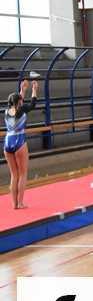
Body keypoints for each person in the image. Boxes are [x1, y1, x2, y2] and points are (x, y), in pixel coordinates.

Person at [3, 79, 38, 209]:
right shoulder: (22, 109)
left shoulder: (7, 111)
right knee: (22, 173)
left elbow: (17, 102)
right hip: (19, 140)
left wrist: (22, 90)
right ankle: (20, 202)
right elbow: (32, 104)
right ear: (19, 102)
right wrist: (34, 90)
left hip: (8, 141)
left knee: (14, 174)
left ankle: (14, 204)